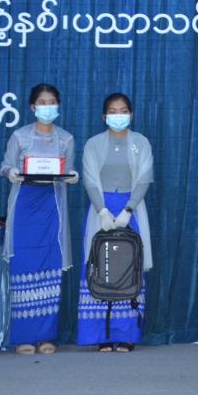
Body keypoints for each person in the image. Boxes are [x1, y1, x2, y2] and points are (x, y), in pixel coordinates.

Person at [0, 82, 79, 356]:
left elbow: (68, 170)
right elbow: (5, 165)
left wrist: (73, 176)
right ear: (33, 107)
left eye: (52, 102)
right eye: (42, 103)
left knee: (50, 266)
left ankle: (46, 336)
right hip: (24, 205)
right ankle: (24, 336)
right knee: (24, 266)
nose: (47, 107)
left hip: (52, 206)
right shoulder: (19, 136)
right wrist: (11, 173)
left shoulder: (66, 139)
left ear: (58, 105)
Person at [78, 92, 153, 353]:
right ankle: (103, 334)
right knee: (99, 266)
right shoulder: (93, 144)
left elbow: (144, 178)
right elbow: (89, 179)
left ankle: (127, 334)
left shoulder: (141, 142)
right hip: (101, 209)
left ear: (131, 114)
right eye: (112, 111)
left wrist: (128, 210)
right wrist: (102, 210)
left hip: (131, 209)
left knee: (129, 266)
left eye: (123, 111)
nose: (118, 115)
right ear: (104, 116)